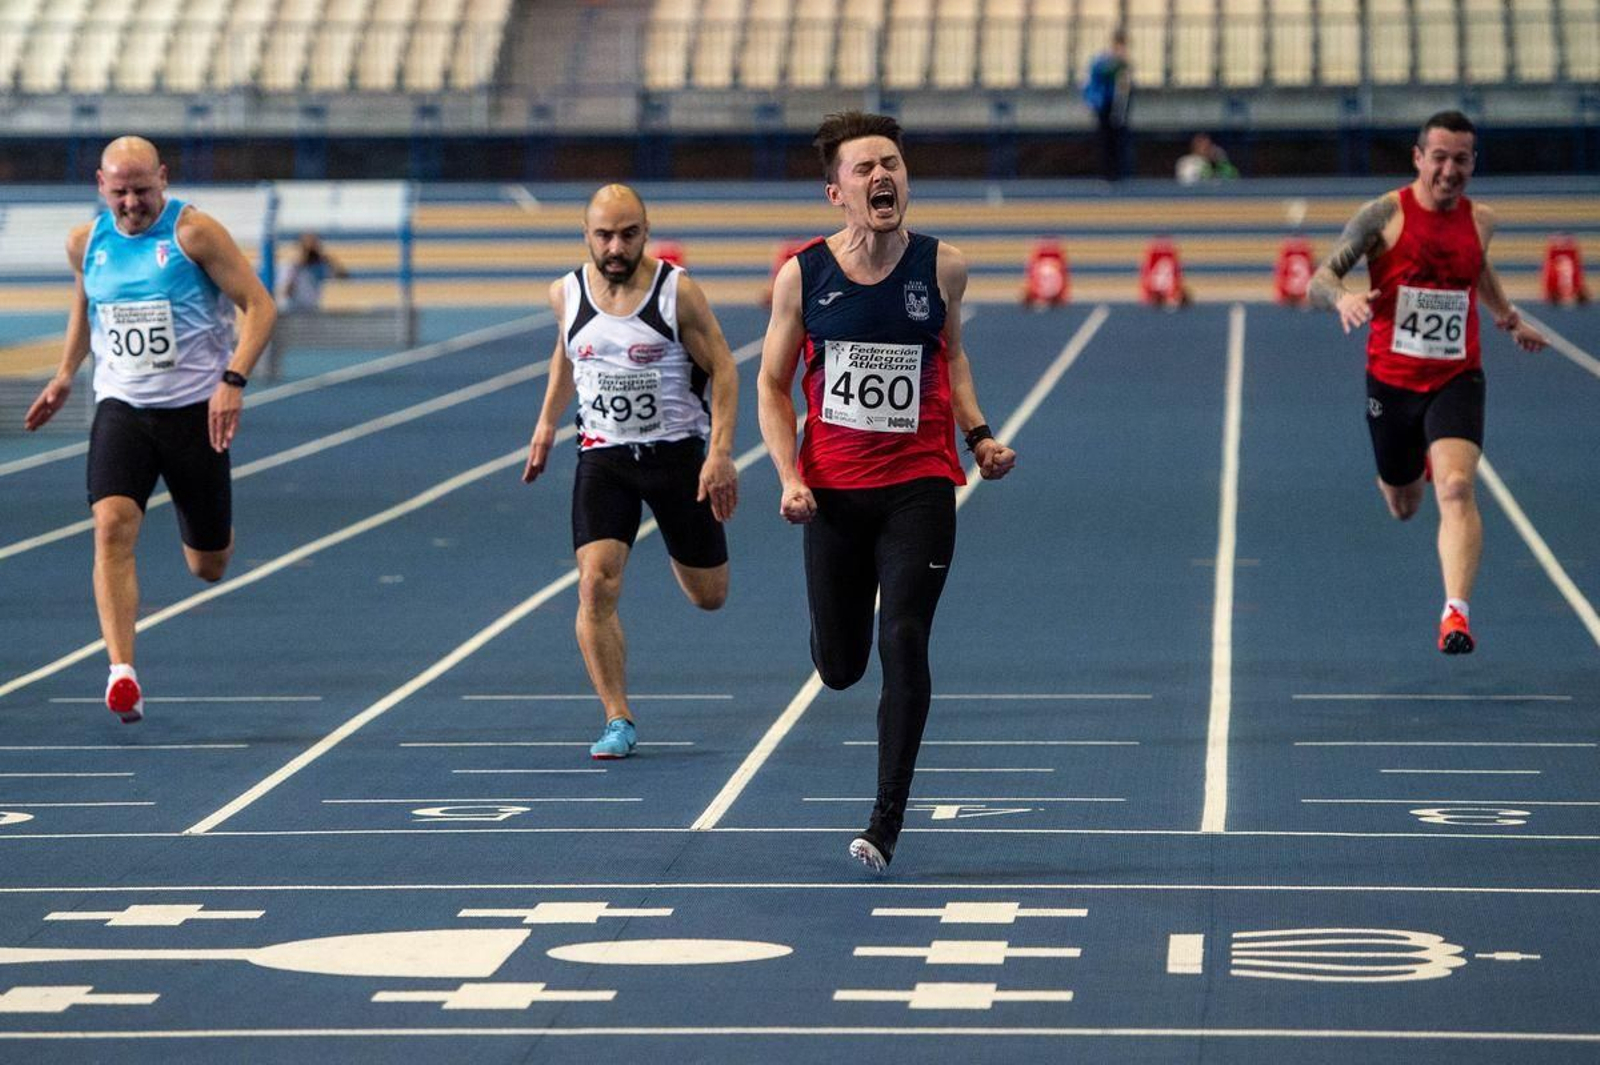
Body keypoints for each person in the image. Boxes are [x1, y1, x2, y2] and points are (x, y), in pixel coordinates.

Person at [757, 112, 1017, 873]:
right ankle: (832, 636)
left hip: (920, 486)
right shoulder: (803, 276)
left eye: (893, 164)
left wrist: (979, 435)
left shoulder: (943, 267)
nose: (883, 177)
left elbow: (954, 357)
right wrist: (789, 476)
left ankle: (886, 819)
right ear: (834, 190)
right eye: (865, 167)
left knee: (902, 635)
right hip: (832, 494)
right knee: (841, 665)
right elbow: (773, 387)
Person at [22, 136, 277, 723]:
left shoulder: (195, 234)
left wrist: (233, 379)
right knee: (111, 525)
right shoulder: (85, 243)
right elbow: (87, 305)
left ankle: (207, 534)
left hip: (195, 411)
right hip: (123, 407)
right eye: (120, 193)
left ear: (163, 179)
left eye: (142, 191)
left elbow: (260, 306)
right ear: (99, 186)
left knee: (208, 566)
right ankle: (122, 672)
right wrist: (64, 375)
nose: (132, 203)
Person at [1309, 110, 1546, 655]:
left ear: (1473, 163)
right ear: (1418, 158)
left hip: (1456, 375)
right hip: (1391, 382)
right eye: (1438, 157)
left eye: (1460, 159)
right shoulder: (1383, 215)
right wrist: (1342, 297)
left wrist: (1507, 318)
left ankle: (1455, 614)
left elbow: (1476, 267)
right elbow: (1320, 277)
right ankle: (1408, 466)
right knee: (1404, 504)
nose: (1448, 169)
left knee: (1457, 487)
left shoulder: (1481, 220)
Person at [521, 184, 739, 759]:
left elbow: (724, 368)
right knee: (595, 582)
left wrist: (719, 452)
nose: (615, 247)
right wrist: (547, 422)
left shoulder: (676, 293)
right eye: (604, 235)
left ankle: (678, 541)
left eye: (628, 234)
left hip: (676, 457)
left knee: (709, 595)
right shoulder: (565, 293)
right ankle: (617, 717)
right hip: (605, 457)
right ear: (586, 235)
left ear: (645, 231)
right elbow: (568, 354)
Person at [1083, 29, 1133, 182]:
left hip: (1119, 105)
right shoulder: (1103, 60)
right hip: (1104, 104)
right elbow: (1100, 75)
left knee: (1118, 139)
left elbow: (1126, 86)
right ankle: (1106, 173)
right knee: (1105, 139)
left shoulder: (1123, 63)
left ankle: (1119, 172)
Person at [279, 232, 348, 311]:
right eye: (306, 248)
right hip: (293, 311)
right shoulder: (288, 266)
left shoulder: (317, 267)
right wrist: (298, 266)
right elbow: (286, 292)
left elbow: (342, 276)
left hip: (312, 312)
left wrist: (327, 259)